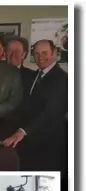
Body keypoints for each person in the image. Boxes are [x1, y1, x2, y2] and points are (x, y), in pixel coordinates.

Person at [4, 39, 68, 172]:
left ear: (54, 52)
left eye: (45, 53)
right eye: (37, 54)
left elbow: (51, 112)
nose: (40, 57)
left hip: (49, 143)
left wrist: (23, 131)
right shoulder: (33, 75)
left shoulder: (62, 79)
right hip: (30, 142)